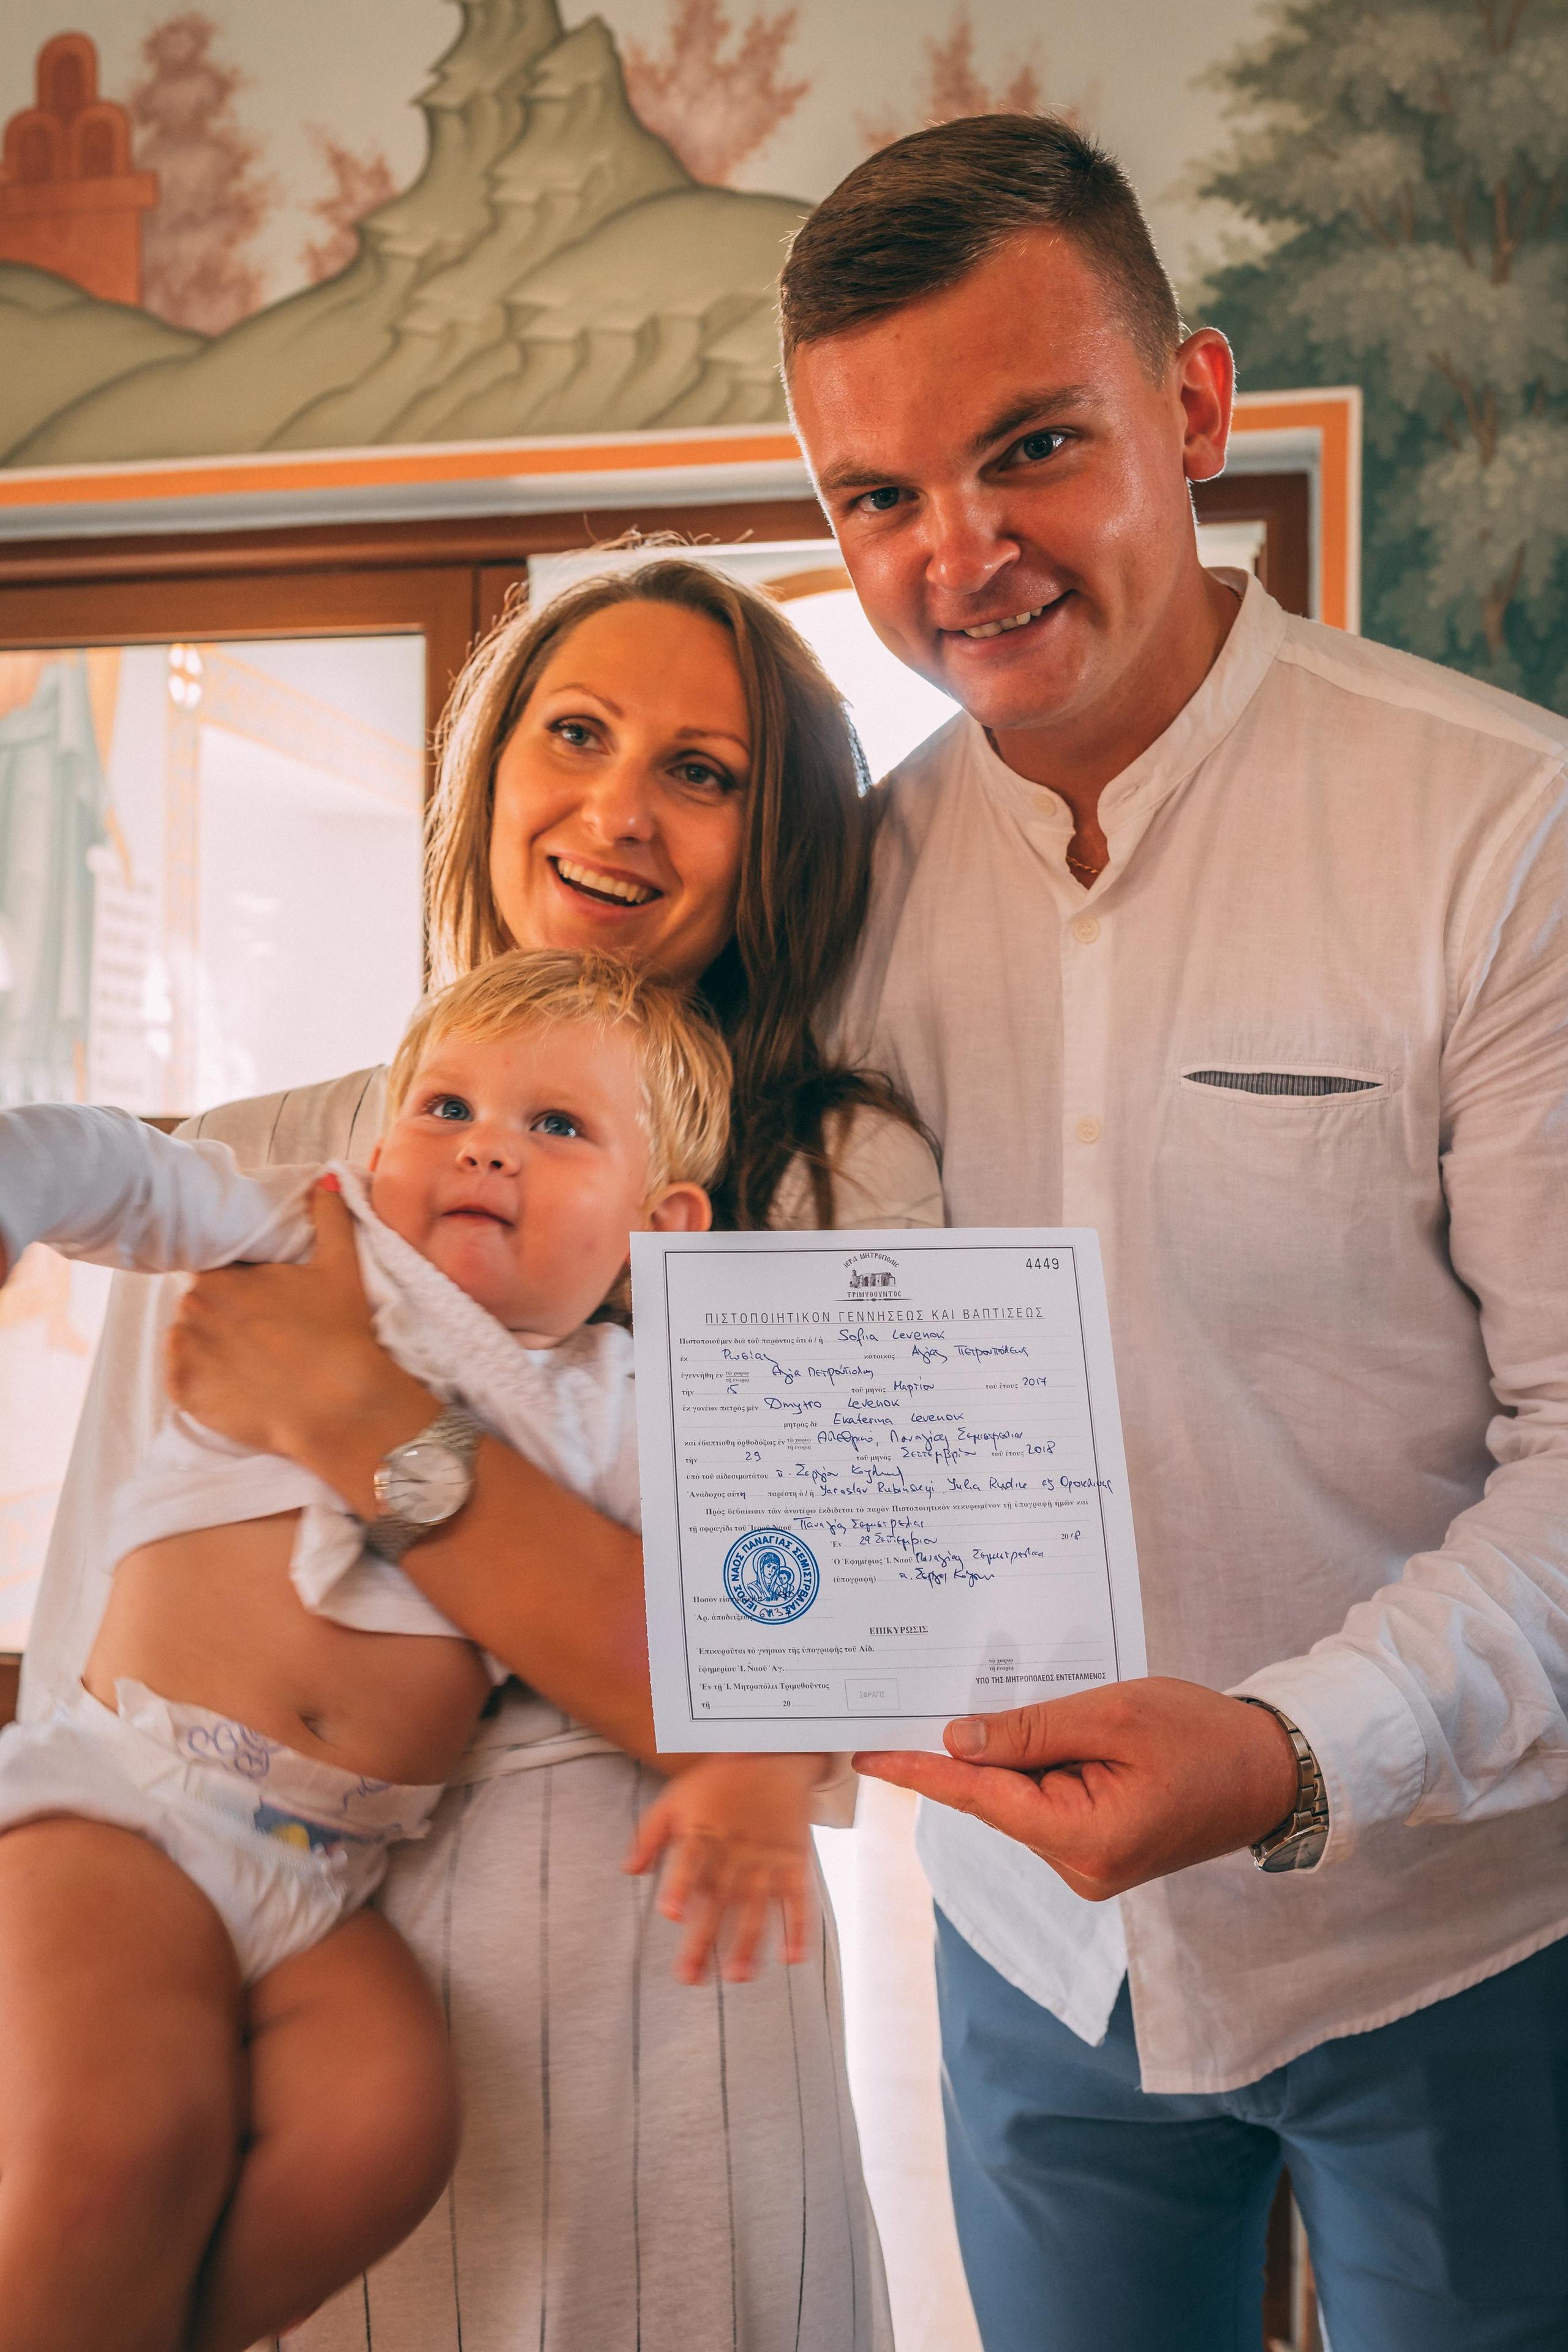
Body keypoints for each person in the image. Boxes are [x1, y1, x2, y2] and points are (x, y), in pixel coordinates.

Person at [774, 113, 1568, 2352]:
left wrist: (1294, 1752)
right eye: (880, 495)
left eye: (1034, 444)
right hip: (1030, 1954)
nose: (964, 550)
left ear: (1194, 406)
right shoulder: (831, 906)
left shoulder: (1500, 835)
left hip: (1461, 1928)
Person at [18, 561, 942, 2351]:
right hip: (304, 1997)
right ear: (488, 769)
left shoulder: (841, 1196)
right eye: (576, 734)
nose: (619, 809)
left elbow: (760, 1685)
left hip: (676, 2017)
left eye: (706, 771)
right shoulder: (255, 1171)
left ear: (777, 842)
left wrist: (363, 1422)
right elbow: (104, 1632)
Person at [0, 948, 829, 2347]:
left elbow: (740, 1607)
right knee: (113, 2149)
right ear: (375, 1149)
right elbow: (131, 1172)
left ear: (662, 1225)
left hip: (323, 1876)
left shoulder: (618, 1411)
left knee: (387, 2127)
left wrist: (758, 1763)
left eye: (556, 1128)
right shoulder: (306, 1243)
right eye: (443, 1108)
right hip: (127, 1804)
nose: (485, 1147)